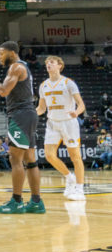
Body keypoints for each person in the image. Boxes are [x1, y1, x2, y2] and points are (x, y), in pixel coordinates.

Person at [0, 41, 44, 214]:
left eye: (1, 53)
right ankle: (36, 202)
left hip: (20, 115)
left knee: (15, 159)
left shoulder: (15, 68)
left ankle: (17, 201)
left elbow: (3, 91)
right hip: (27, 114)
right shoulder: (22, 67)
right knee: (30, 161)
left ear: (12, 52)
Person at [36, 55, 86, 201]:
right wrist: (31, 114)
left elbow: (81, 104)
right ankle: (69, 177)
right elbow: (41, 108)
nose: (48, 64)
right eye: (46, 63)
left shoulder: (68, 83)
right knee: (49, 155)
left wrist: (76, 112)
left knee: (75, 156)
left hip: (68, 123)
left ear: (60, 65)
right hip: (52, 123)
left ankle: (80, 189)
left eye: (51, 62)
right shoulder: (43, 85)